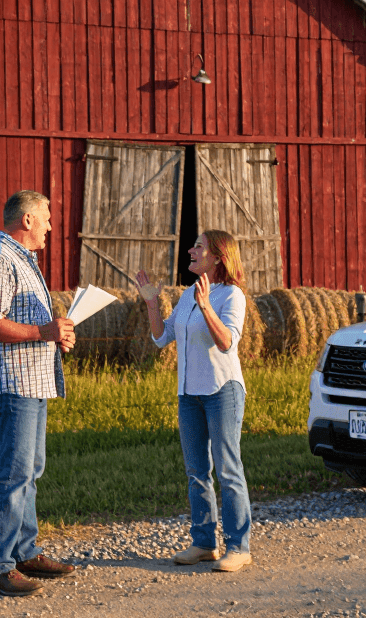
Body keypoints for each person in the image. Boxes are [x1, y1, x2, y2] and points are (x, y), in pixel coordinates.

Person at [0, 190, 78, 597]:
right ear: (28, 220)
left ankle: (24, 551)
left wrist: (56, 333)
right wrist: (42, 332)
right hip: (13, 383)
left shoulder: (23, 261)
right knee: (15, 473)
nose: (51, 226)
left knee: (31, 470)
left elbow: (25, 323)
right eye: (47, 219)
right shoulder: (0, 259)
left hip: (33, 380)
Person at [135, 230, 254, 573]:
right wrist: (151, 303)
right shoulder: (188, 294)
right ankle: (204, 543)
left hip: (222, 391)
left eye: (198, 246)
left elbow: (226, 343)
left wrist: (206, 307)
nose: (190, 249)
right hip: (189, 394)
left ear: (217, 257)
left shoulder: (232, 296)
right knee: (196, 472)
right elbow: (161, 338)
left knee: (228, 469)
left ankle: (238, 546)